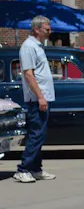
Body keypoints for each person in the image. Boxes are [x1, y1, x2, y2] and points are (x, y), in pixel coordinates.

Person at [14, 16, 57, 183]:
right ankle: (23, 169)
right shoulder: (28, 47)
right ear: (37, 29)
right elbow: (29, 74)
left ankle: (35, 168)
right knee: (36, 134)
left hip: (43, 97)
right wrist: (40, 97)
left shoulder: (38, 46)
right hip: (36, 99)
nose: (50, 31)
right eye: (47, 29)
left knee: (40, 134)